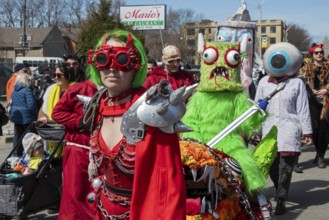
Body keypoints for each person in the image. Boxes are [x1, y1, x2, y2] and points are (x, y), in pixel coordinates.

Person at [83, 29, 186, 219]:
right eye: (104, 58)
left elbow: (168, 183)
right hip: (102, 209)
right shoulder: (98, 105)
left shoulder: (154, 111)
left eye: (122, 60)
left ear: (136, 65)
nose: (112, 68)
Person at [255, 42, 313, 215]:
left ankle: (281, 199)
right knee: (272, 167)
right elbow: (257, 108)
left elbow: (303, 108)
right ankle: (278, 187)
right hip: (269, 130)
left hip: (289, 129)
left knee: (286, 168)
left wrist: (307, 130)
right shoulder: (264, 82)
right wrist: (255, 130)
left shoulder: (296, 83)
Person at [51, 73, 98, 218]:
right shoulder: (78, 89)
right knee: (74, 195)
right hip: (78, 151)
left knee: (99, 195)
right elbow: (57, 113)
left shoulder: (118, 91)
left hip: (102, 153)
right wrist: (80, 121)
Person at [300, 43, 329, 168]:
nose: (319, 54)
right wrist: (310, 90)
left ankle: (321, 156)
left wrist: (326, 90)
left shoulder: (328, 66)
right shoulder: (306, 68)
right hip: (311, 102)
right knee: (315, 130)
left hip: (326, 101)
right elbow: (300, 82)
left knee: (325, 129)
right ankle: (318, 152)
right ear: (312, 54)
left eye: (321, 52)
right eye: (317, 53)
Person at [9, 73, 38, 156]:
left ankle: (15, 155)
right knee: (31, 137)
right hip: (27, 118)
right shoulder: (27, 91)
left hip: (17, 118)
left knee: (17, 137)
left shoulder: (14, 91)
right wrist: (36, 115)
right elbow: (31, 105)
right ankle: (31, 155)